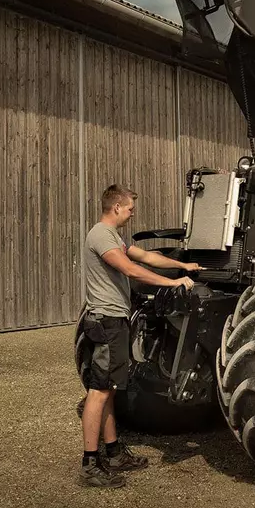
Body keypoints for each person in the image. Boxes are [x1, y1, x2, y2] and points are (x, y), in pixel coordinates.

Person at [78, 183, 201, 488]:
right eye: (130, 208)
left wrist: (182, 264)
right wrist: (172, 285)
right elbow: (132, 270)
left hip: (113, 320)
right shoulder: (99, 235)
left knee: (108, 390)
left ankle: (114, 451)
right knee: (99, 391)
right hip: (106, 320)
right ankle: (89, 463)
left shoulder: (113, 237)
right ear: (116, 207)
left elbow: (147, 257)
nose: (133, 213)